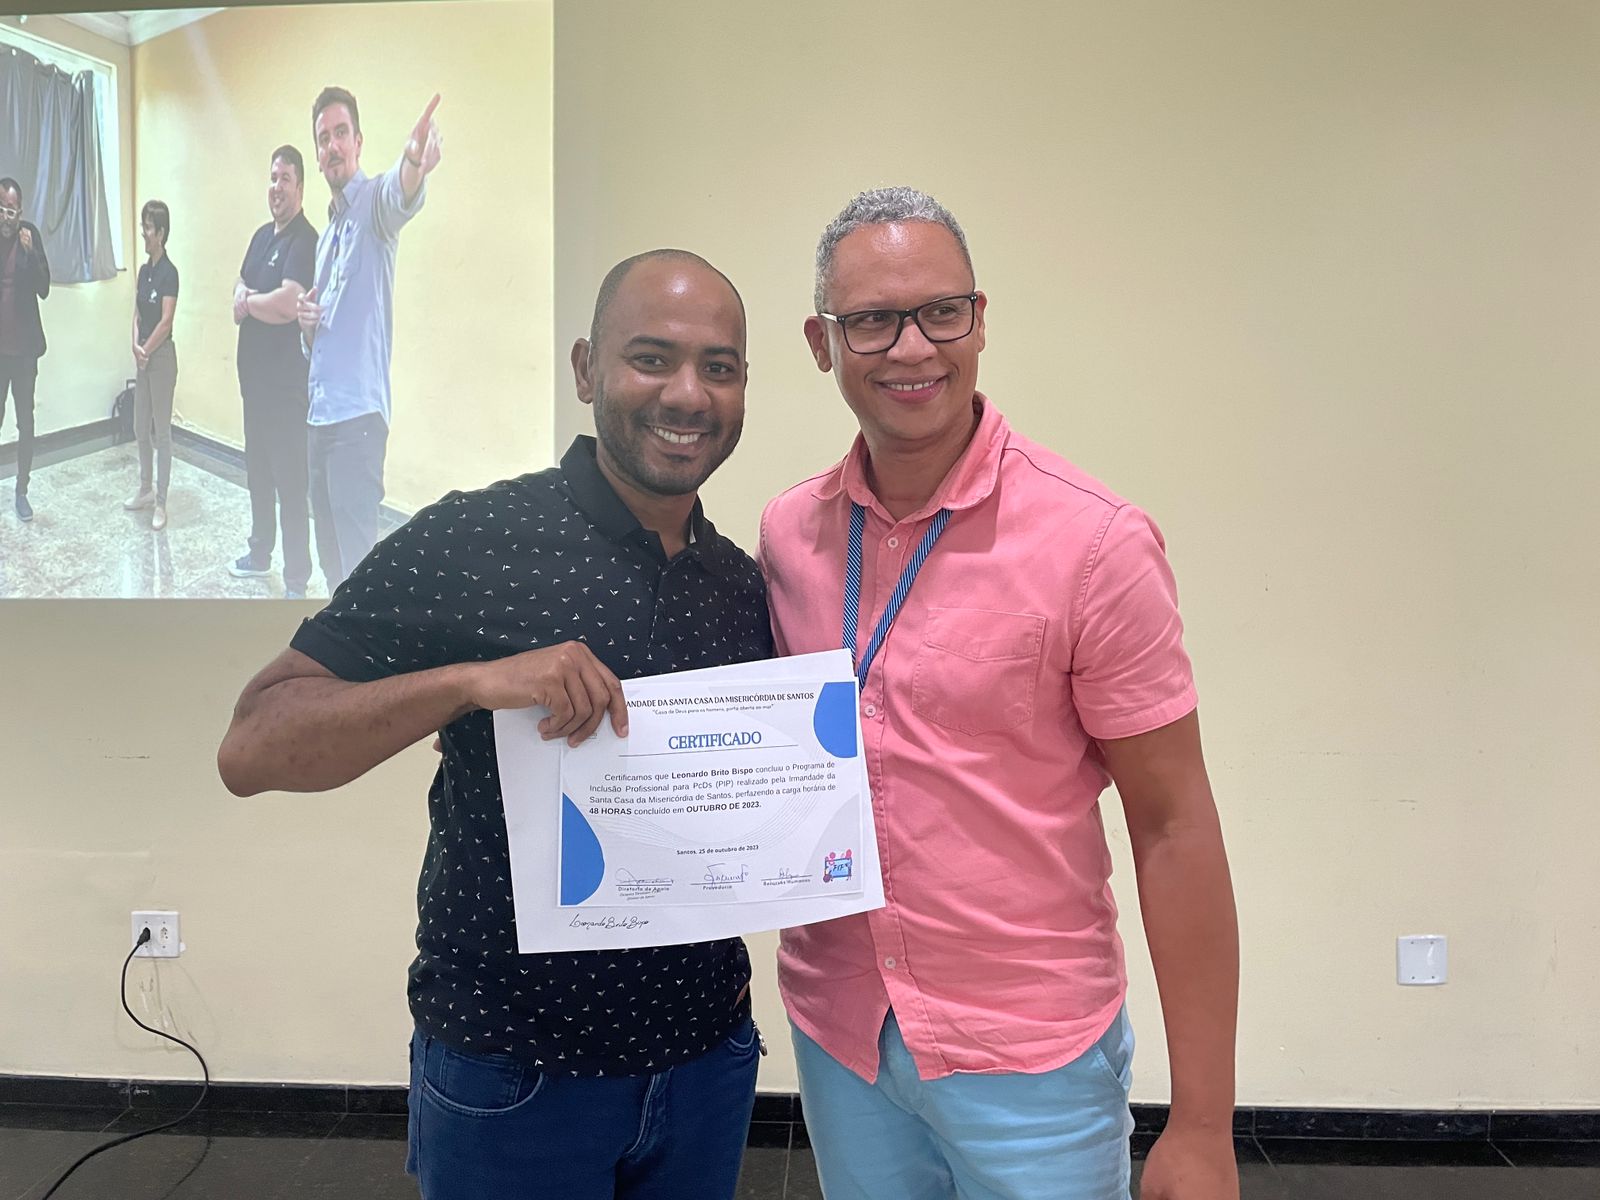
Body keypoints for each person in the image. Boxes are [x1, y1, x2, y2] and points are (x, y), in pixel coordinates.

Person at [220, 250, 771, 1200]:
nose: (688, 393)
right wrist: (469, 683)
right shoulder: (473, 540)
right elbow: (253, 745)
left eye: (717, 367)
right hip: (514, 1075)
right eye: (651, 358)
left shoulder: (742, 586)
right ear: (586, 369)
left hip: (705, 1062)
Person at [760, 187, 1241, 1200]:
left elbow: (1173, 824)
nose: (912, 347)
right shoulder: (789, 536)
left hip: (1031, 1058)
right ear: (821, 341)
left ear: (980, 320)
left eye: (942, 312)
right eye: (872, 320)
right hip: (842, 1037)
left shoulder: (1095, 543)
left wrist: (1203, 1123)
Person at [295, 86, 440, 590]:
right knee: (330, 562)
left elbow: (401, 194)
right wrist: (307, 326)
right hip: (318, 418)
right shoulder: (326, 238)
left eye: (341, 133)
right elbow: (317, 341)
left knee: (359, 571)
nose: (332, 145)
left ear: (358, 142)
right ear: (318, 154)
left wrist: (413, 161)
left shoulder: (374, 205)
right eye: (323, 138)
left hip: (357, 421)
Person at [229, 146, 318, 598]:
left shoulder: (305, 240)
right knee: (258, 477)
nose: (276, 187)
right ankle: (259, 553)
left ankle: (296, 578)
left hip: (285, 394)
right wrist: (244, 296)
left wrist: (248, 303)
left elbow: (288, 303)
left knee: (290, 485)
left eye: (285, 178)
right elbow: (240, 282)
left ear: (300, 186)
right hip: (254, 389)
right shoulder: (262, 236)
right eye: (272, 177)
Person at [0, 177, 51, 522]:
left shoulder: (29, 236)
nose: (6, 217)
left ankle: (22, 491)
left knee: (26, 422)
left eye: (12, 211)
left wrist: (31, 253)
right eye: (2, 209)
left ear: (21, 211)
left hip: (24, 353)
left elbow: (44, 288)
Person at [125, 200, 178, 532]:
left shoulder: (169, 273)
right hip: (143, 357)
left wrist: (145, 349)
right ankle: (145, 488)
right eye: (143, 226)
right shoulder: (144, 272)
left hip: (161, 359)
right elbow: (137, 314)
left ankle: (161, 500)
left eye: (148, 227)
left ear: (160, 233)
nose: (143, 233)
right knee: (139, 426)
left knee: (162, 432)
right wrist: (135, 345)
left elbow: (166, 320)